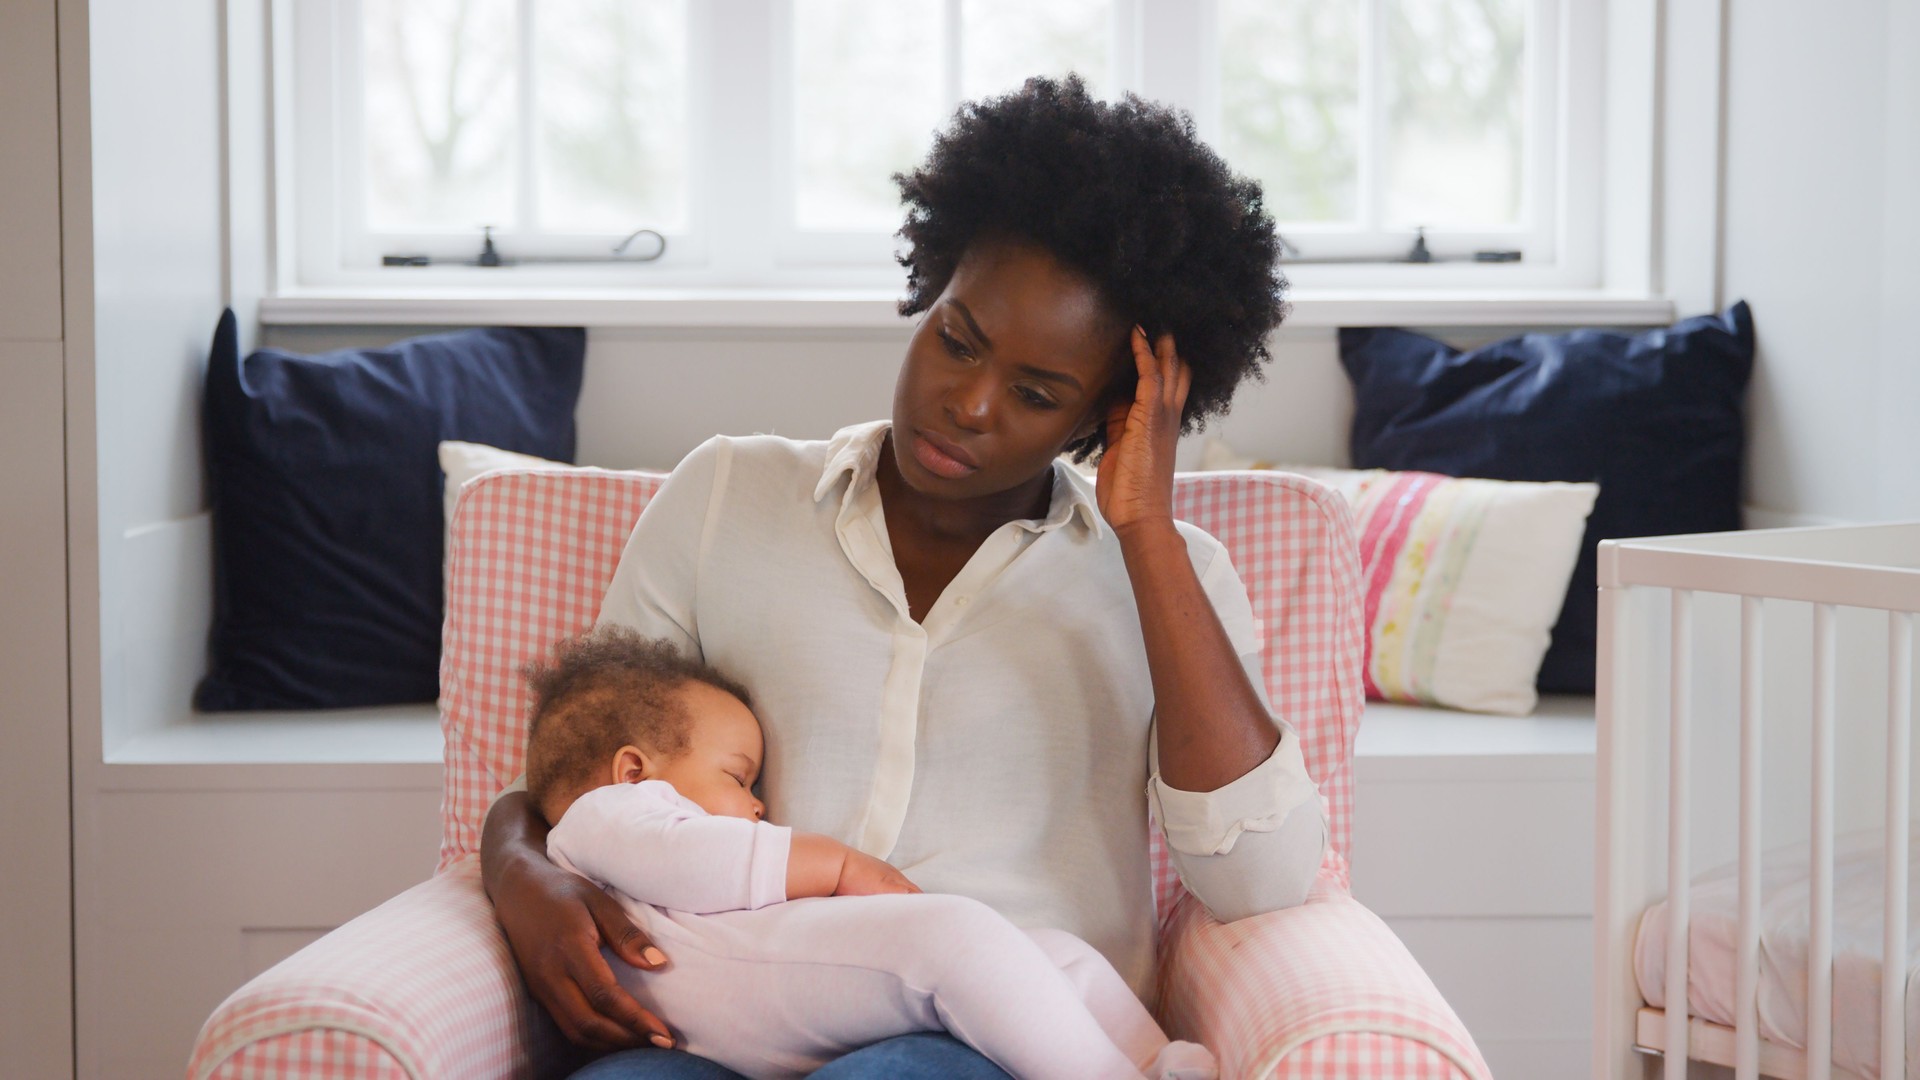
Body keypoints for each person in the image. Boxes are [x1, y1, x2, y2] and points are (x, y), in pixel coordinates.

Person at [481, 74, 1328, 1079]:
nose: (966, 403)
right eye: (956, 338)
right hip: (723, 1004)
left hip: (989, 1036)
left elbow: (1259, 880)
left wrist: (1145, 532)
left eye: (1035, 392)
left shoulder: (1169, 583)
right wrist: (519, 871)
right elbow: (582, 758)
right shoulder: (724, 499)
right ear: (931, 293)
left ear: (1104, 417)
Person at [526, 625, 1220, 1080]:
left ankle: (1151, 1057)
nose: (760, 805)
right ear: (632, 770)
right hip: (755, 987)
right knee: (957, 937)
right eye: (739, 778)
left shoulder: (619, 826)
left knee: (1050, 953)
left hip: (771, 991)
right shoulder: (600, 821)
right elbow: (693, 863)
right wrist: (838, 864)